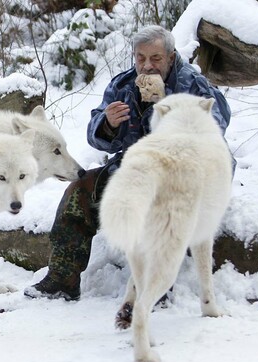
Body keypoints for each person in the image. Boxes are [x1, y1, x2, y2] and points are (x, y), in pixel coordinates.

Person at [24, 25, 234, 301]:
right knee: (79, 193)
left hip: (184, 176)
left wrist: (168, 107)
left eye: (155, 59)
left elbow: (217, 127)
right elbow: (95, 137)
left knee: (157, 204)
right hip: (134, 168)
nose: (147, 66)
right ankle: (62, 279)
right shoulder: (123, 85)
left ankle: (154, 286)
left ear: (170, 57)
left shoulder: (193, 85)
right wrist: (108, 124)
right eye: (140, 58)